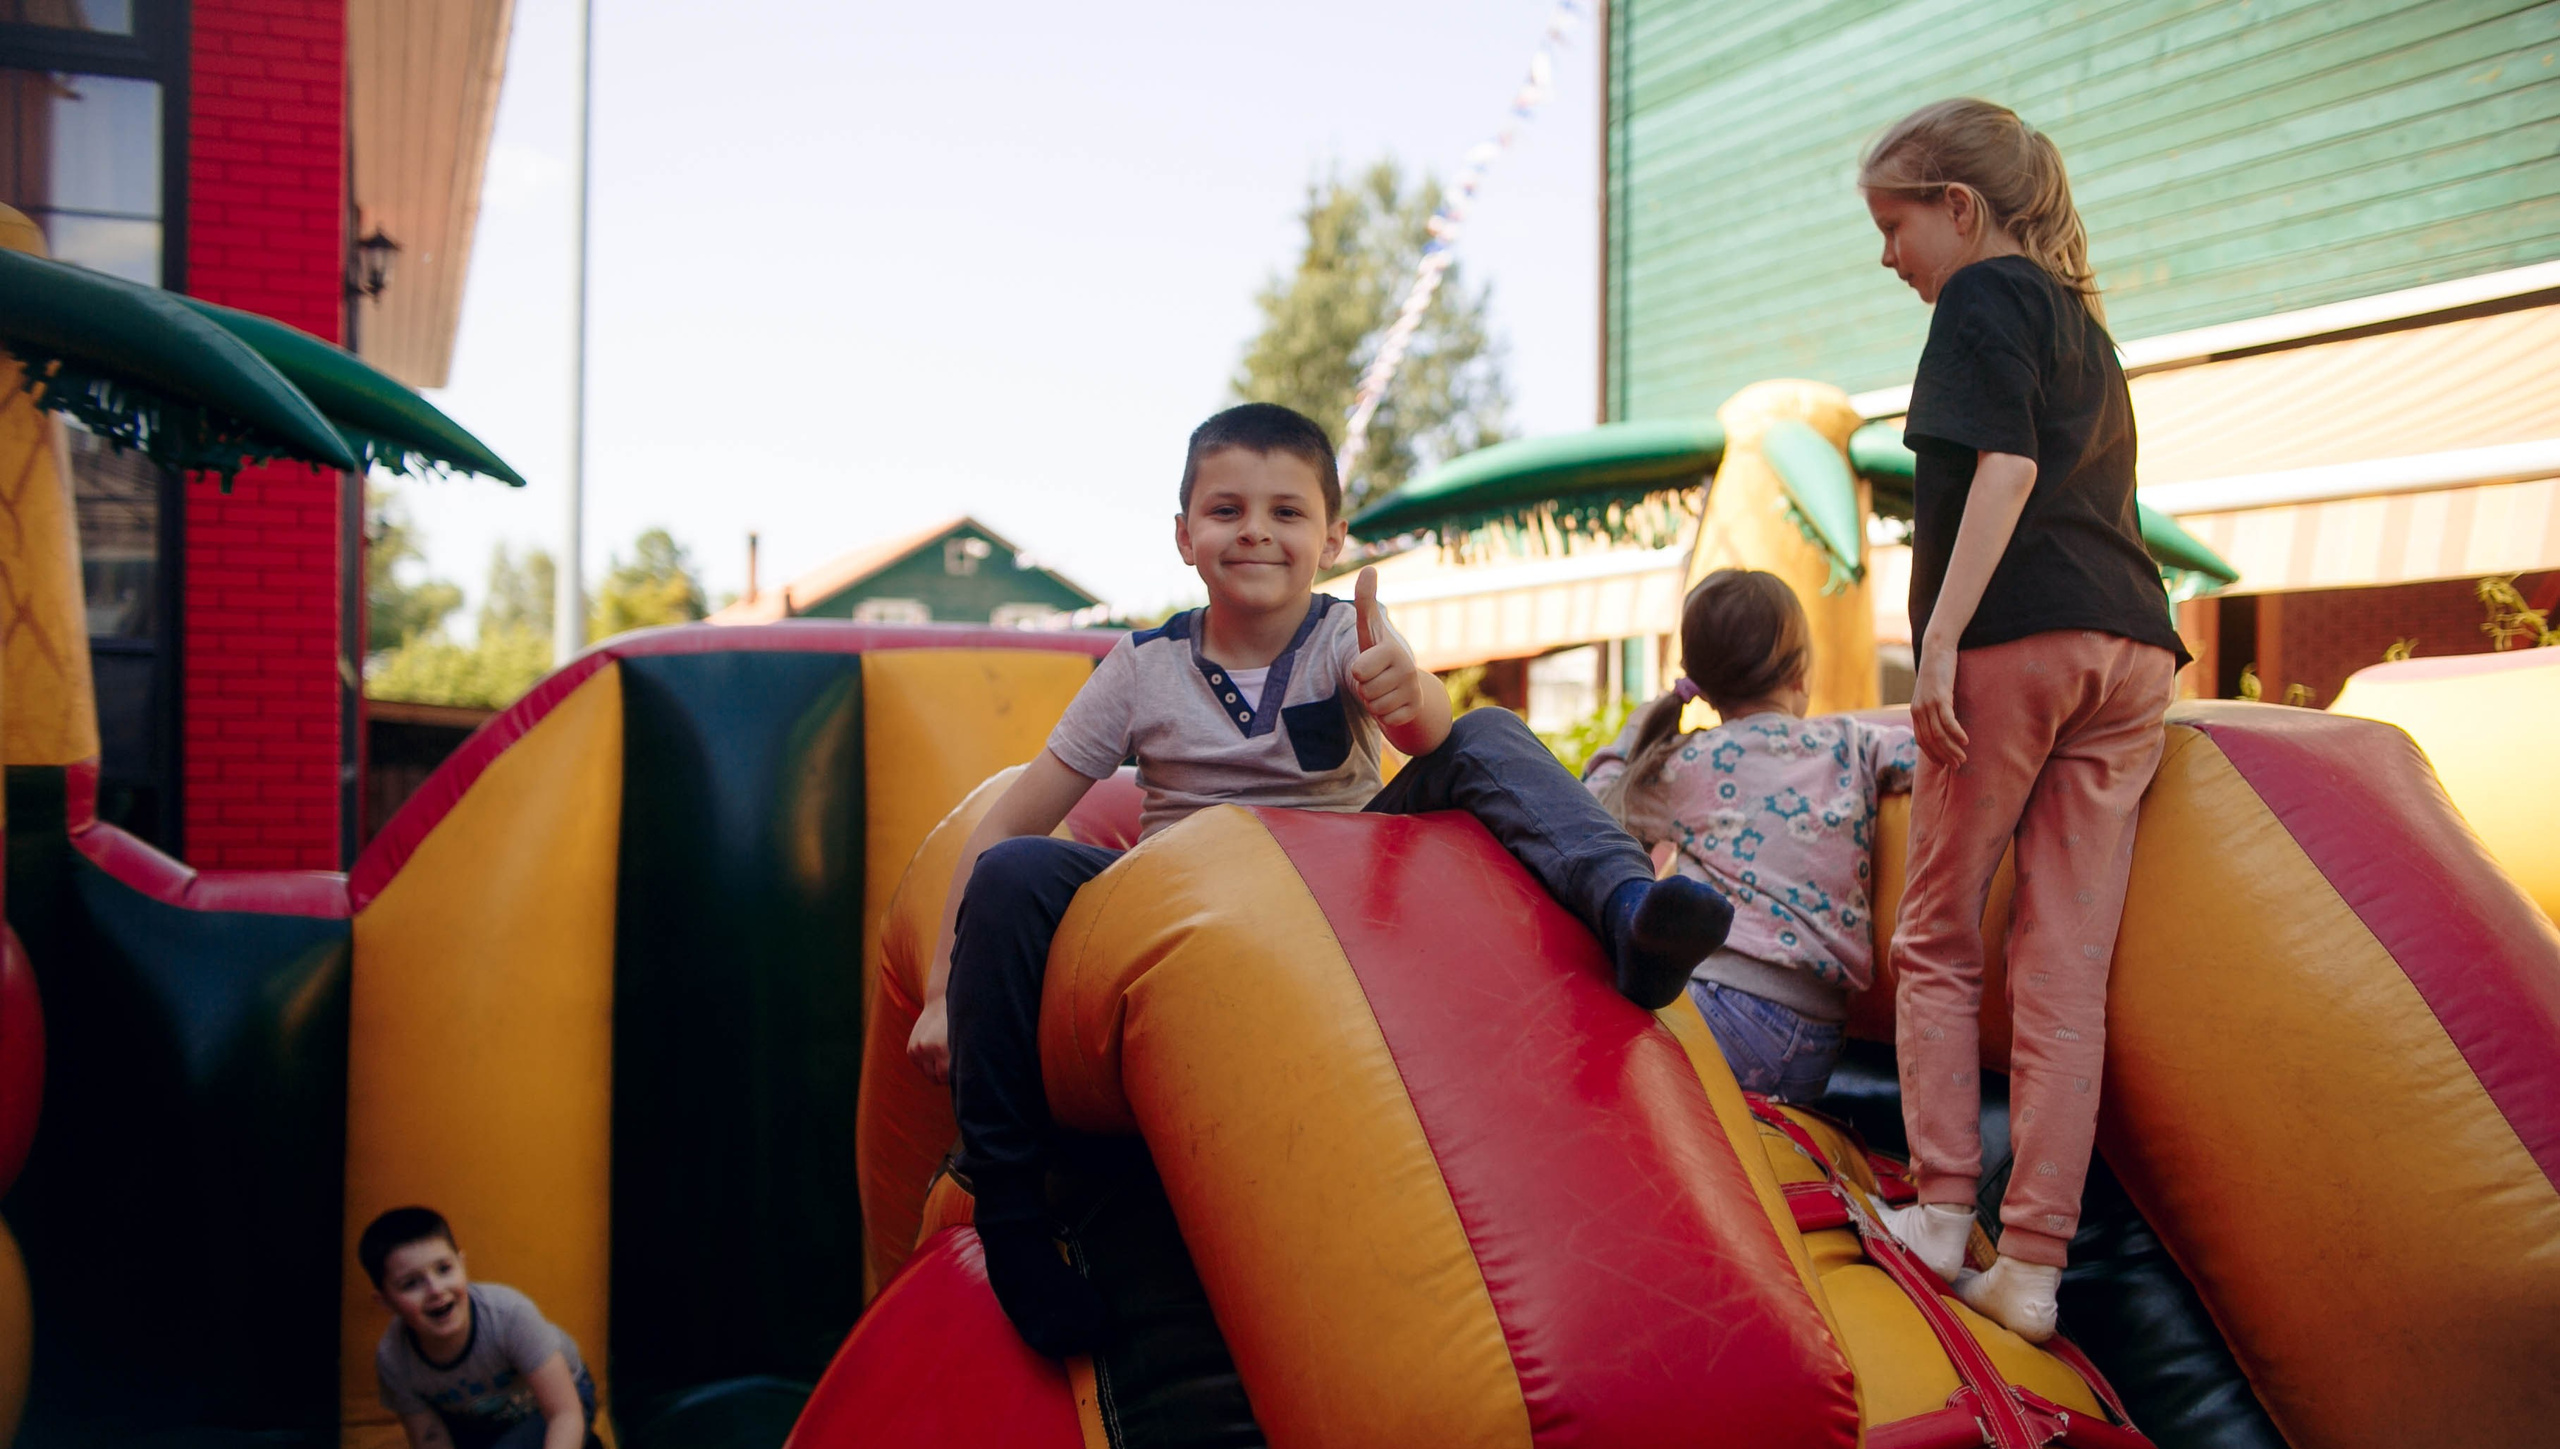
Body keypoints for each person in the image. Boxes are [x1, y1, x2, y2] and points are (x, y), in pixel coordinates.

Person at [906, 402, 1735, 1358]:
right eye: (1226, 509)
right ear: (1184, 536)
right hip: (1186, 899)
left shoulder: (1350, 637)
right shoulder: (1143, 666)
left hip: (1341, 899)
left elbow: (1426, 732)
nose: (1256, 529)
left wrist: (1407, 692)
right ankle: (1012, 1217)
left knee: (1488, 736)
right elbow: (1011, 817)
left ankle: (1630, 914)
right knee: (1016, 868)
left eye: (1287, 513)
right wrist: (939, 989)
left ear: (1332, 537)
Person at [1857, 99, 2188, 1343]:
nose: (1885, 253)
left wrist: (1935, 638)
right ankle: (2034, 1265)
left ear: (1960, 209)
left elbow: (2004, 473)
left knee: (1938, 933)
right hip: (2132, 650)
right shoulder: (2086, 330)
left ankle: (1945, 1211)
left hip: (2020, 638)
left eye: (1894, 225)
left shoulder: (1980, 298)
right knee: (2062, 966)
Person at [1585, 569, 1916, 1103]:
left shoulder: (1689, 764)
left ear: (1704, 686)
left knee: (1588, 1028)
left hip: (1724, 1013)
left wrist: (1637, 729)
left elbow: (1591, 810)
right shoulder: (1850, 743)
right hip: (1816, 1044)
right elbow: (1930, 757)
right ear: (1801, 672)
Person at [361, 1206, 610, 1449]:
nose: (436, 1290)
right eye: (411, 1284)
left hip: (554, 1406)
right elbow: (432, 1446)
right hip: (475, 1425)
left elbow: (564, 1412)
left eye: (444, 1269)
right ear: (386, 1302)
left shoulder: (508, 1316)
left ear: (462, 1264)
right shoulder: (395, 1358)